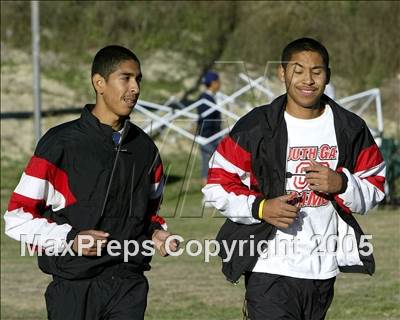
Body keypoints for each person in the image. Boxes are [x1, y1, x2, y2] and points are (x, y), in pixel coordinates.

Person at [202, 38, 386, 320]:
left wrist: (343, 184)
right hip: (269, 267)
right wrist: (261, 208)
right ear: (282, 73)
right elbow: (217, 185)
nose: (308, 80)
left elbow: (375, 185)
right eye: (298, 70)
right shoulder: (256, 126)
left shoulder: (350, 128)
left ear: (328, 75)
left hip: (322, 268)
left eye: (317, 71)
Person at [4, 45, 178, 320]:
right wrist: (71, 240)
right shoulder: (60, 144)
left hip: (128, 285)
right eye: (126, 78)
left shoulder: (145, 148)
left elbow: (149, 216)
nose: (135, 88)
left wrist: (156, 234)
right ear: (99, 83)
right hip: (74, 288)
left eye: (138, 79)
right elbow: (17, 219)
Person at [197, 71, 222, 188]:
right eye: (218, 82)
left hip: (213, 137)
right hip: (207, 138)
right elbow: (205, 119)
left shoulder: (210, 97)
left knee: (213, 166)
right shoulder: (205, 99)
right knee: (208, 167)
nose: (220, 84)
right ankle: (207, 196)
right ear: (213, 83)